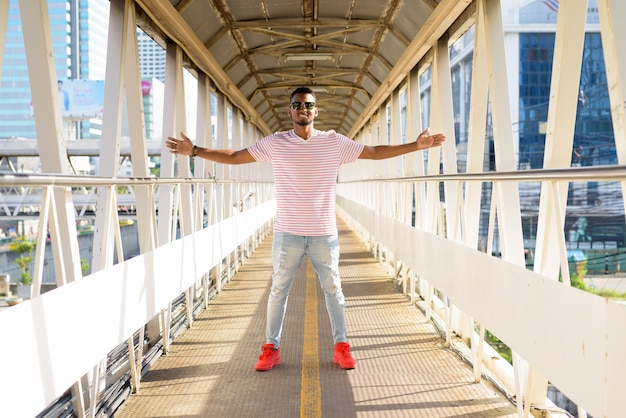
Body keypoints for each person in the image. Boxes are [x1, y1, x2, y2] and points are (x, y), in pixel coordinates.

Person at [166, 86, 446, 371]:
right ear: (289, 111)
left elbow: (373, 152)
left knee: (334, 289)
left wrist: (415, 146)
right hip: (287, 233)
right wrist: (195, 151)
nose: (304, 110)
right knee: (278, 290)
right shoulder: (276, 142)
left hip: (325, 233)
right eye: (298, 105)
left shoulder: (333, 142)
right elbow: (237, 156)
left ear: (316, 110)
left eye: (309, 105)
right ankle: (270, 348)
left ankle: (341, 347)